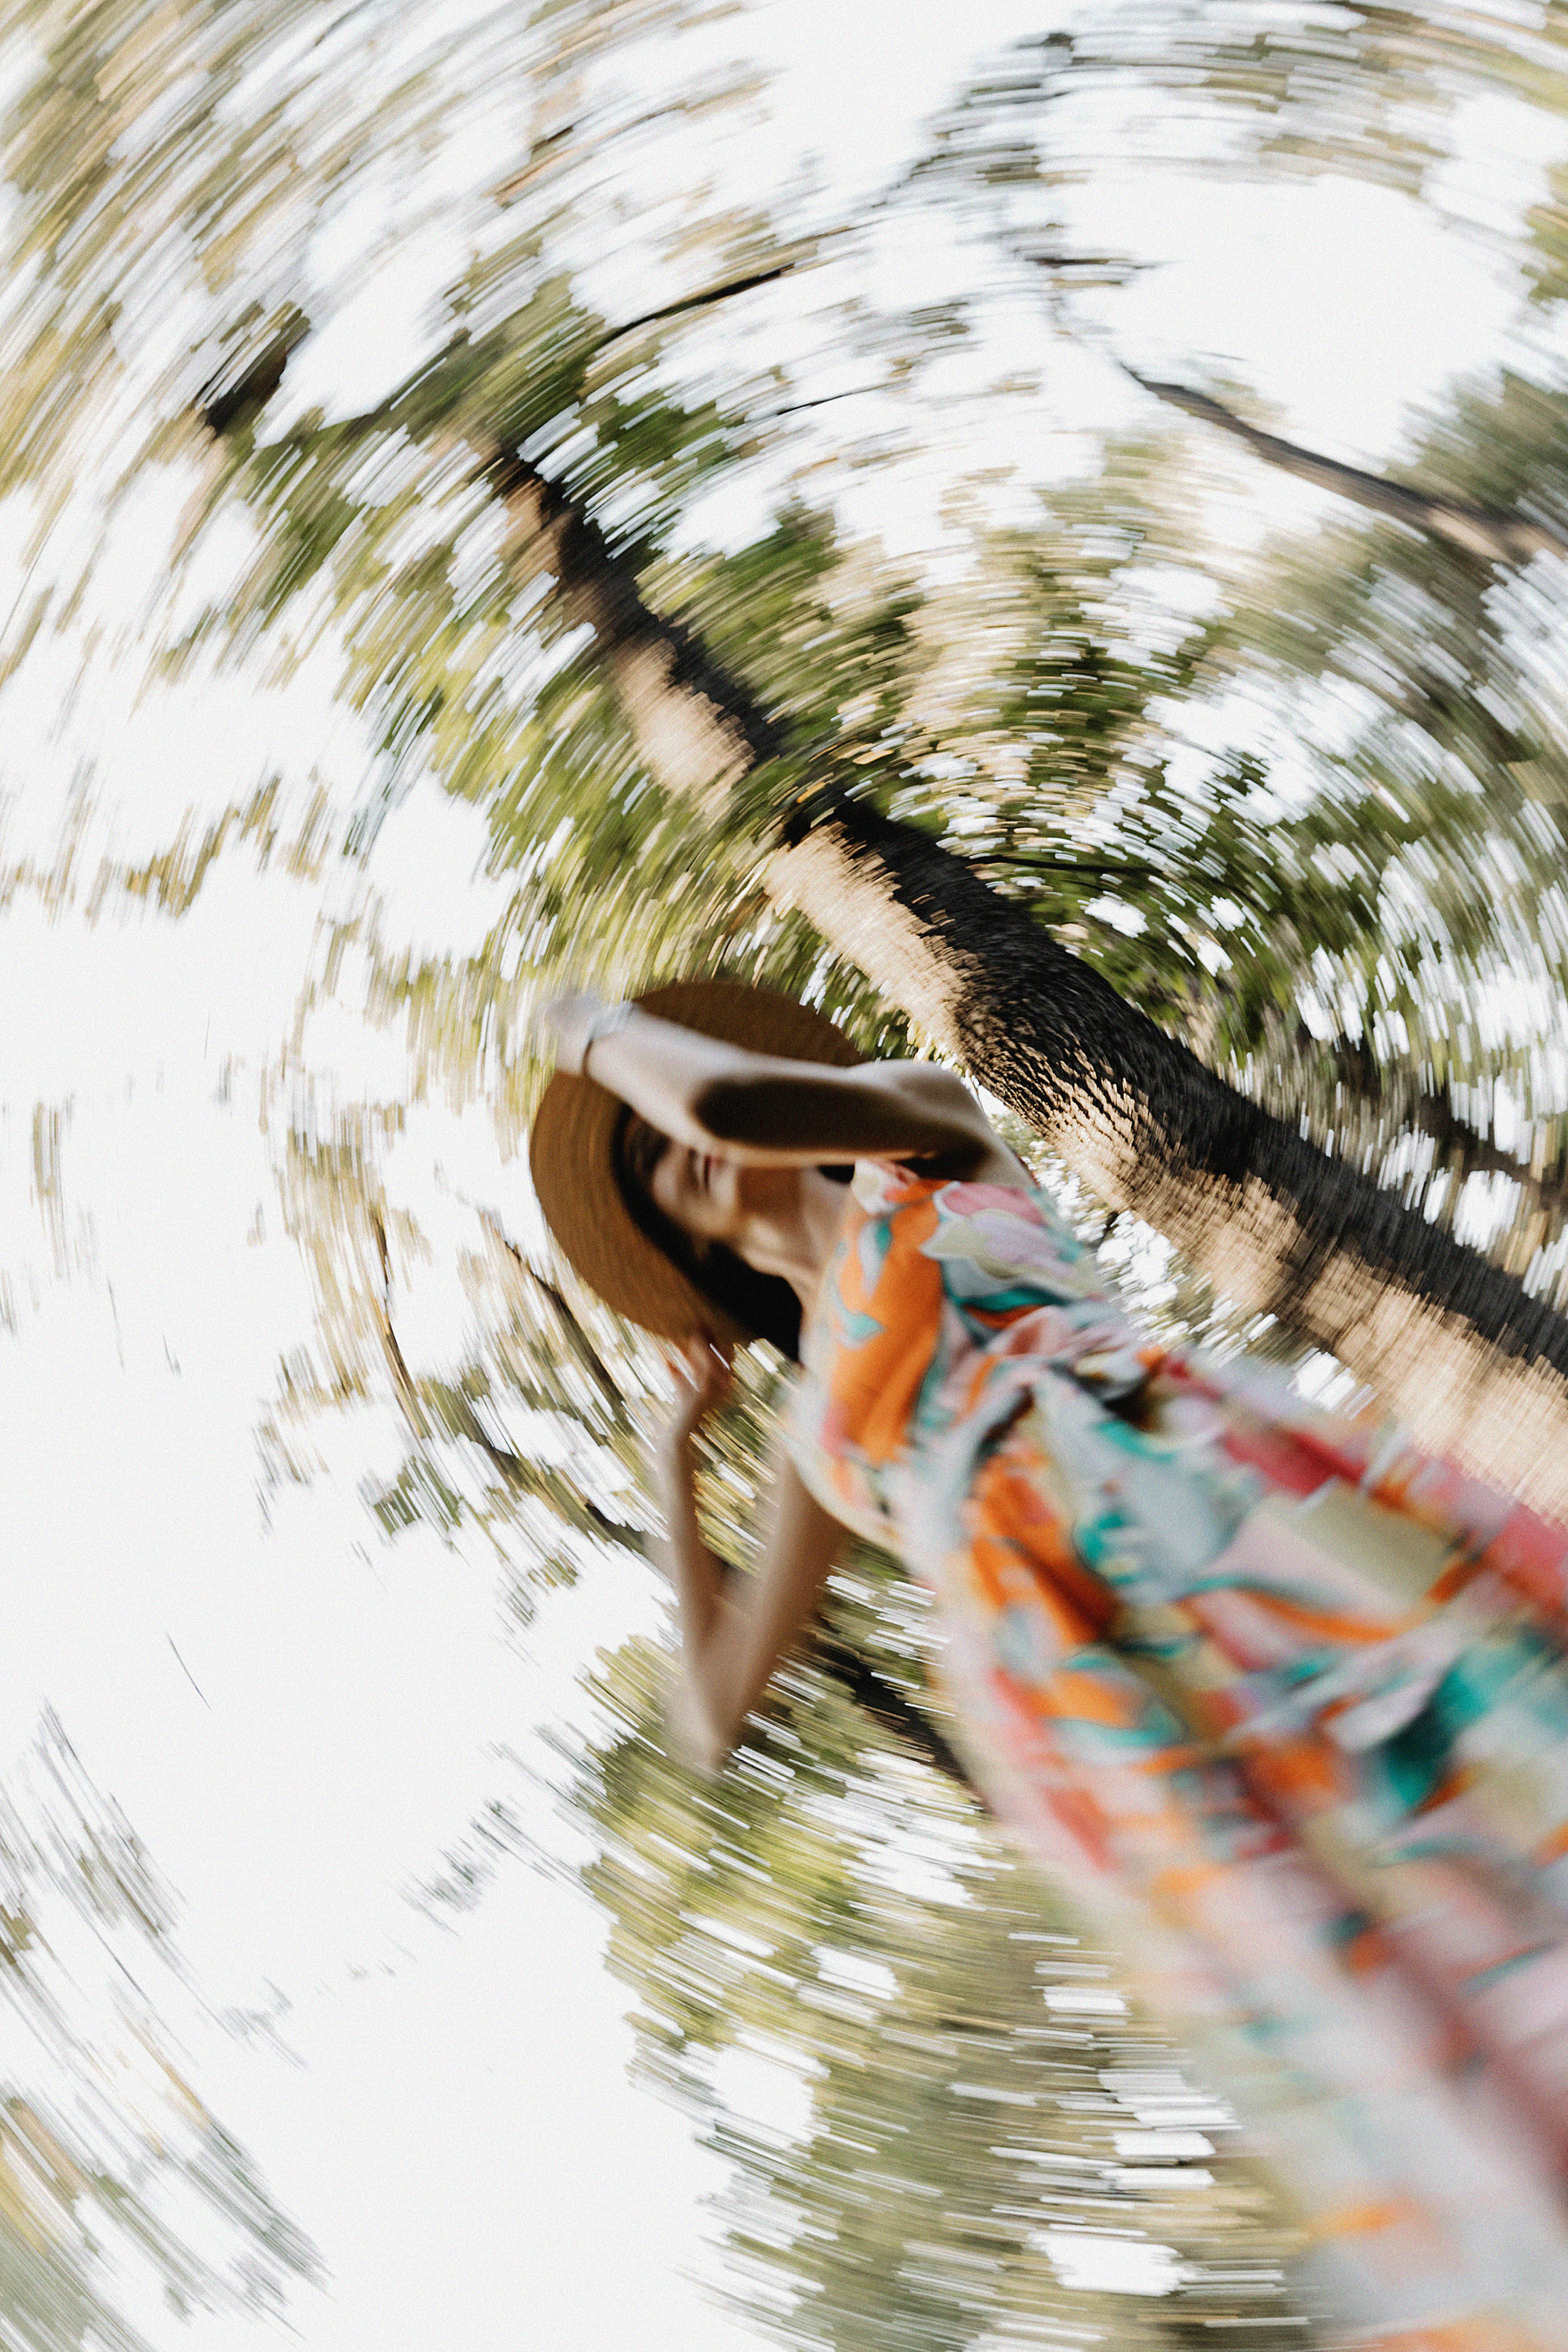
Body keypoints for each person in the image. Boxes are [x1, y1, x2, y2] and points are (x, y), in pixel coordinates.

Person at [532, 975, 1568, 2351]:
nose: (680, 1146)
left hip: (1191, 1490)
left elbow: (724, 1099)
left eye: (665, 1109)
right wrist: (674, 1469)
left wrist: (586, 1026)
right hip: (1069, 1675)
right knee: (1330, 1921)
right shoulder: (810, 1438)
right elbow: (711, 1711)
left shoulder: (920, 1131)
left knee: (1459, 1749)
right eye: (649, 1165)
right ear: (676, 1230)